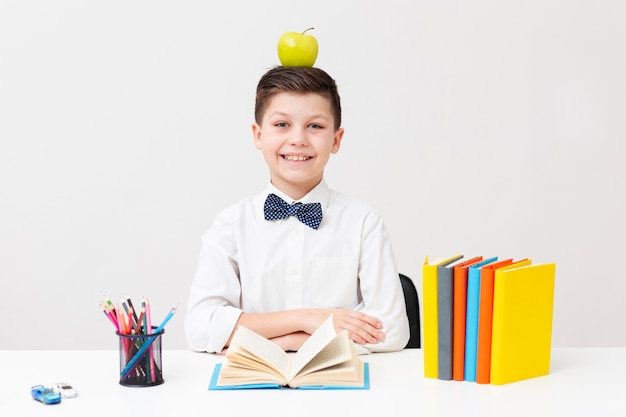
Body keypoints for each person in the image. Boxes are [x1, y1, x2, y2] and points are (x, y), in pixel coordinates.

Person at [184, 66, 409, 354]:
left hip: (342, 391)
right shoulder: (231, 224)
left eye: (315, 126)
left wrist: (284, 342)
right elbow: (200, 328)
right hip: (251, 392)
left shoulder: (363, 221)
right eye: (282, 125)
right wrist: (308, 319)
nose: (298, 139)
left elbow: (391, 330)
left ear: (336, 140)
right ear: (258, 135)